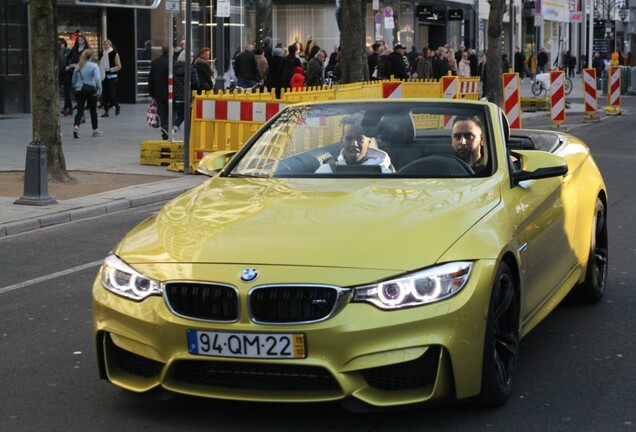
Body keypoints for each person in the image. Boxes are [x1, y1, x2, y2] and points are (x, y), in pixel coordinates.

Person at [316, 116, 393, 173]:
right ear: (342, 141)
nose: (354, 144)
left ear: (369, 142)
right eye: (349, 138)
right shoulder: (325, 172)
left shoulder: (383, 172)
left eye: (360, 139)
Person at [71, 48, 102, 139]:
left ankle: (76, 127)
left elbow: (73, 79)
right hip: (90, 90)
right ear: (91, 56)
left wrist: (76, 85)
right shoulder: (94, 66)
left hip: (79, 89)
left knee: (80, 110)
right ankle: (95, 130)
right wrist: (99, 90)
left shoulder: (78, 66)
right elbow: (97, 79)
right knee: (93, 111)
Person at [148, 45, 170, 140]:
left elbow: (151, 79)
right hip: (170, 92)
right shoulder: (172, 62)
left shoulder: (155, 62)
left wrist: (151, 92)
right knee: (172, 112)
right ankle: (167, 127)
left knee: (162, 113)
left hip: (159, 93)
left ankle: (164, 128)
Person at [98, 39, 122, 117]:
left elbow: (119, 66)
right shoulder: (101, 53)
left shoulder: (114, 53)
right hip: (103, 75)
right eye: (103, 45)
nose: (105, 46)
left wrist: (110, 69)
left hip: (112, 76)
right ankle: (106, 111)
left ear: (110, 45)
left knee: (110, 92)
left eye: (106, 45)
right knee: (104, 94)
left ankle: (116, 105)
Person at [58, 37, 73, 116]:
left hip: (68, 73)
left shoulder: (67, 51)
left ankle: (66, 108)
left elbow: (64, 62)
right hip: (62, 74)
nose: (60, 46)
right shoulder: (60, 52)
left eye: (61, 44)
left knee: (66, 92)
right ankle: (69, 108)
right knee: (65, 92)